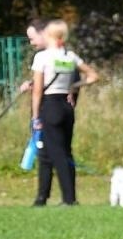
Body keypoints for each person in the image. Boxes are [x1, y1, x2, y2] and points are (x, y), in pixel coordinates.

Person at [29, 19, 99, 206]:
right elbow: (93, 76)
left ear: (49, 35)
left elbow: (37, 90)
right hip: (67, 107)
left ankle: (69, 199)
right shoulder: (70, 56)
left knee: (57, 153)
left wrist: (35, 116)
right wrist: (74, 86)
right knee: (59, 152)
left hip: (49, 105)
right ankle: (56, 197)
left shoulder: (42, 57)